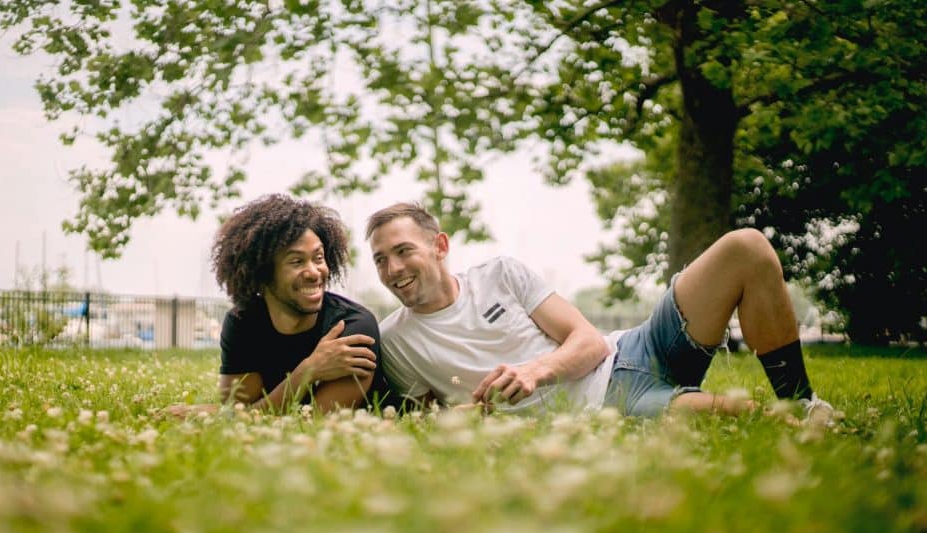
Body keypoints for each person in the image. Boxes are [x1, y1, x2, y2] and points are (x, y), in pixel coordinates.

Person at [366, 202, 835, 421]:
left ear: (440, 246)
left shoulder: (501, 275)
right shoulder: (398, 341)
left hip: (636, 347)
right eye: (381, 260)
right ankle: (795, 418)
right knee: (752, 418)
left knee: (746, 248)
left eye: (403, 251)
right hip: (609, 404)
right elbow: (423, 416)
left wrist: (535, 371)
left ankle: (802, 398)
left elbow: (588, 342)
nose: (393, 269)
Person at [168, 194, 396, 417]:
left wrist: (305, 372)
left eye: (318, 258)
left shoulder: (353, 326)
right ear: (263, 274)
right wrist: (309, 370)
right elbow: (238, 412)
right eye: (296, 261)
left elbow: (314, 420)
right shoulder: (243, 323)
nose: (314, 272)